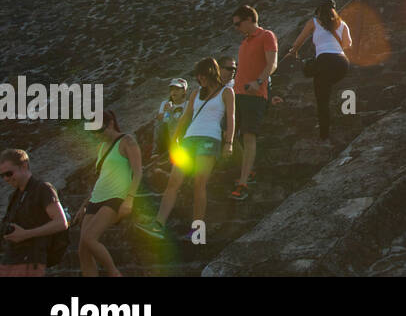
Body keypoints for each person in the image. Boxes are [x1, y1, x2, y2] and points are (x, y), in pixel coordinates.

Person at [137, 59, 234, 238]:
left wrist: (229, 143)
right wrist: (174, 142)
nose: (200, 79)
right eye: (198, 76)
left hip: (210, 139)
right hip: (189, 139)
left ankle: (198, 230)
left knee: (199, 183)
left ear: (211, 72)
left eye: (202, 75)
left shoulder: (226, 92)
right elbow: (185, 118)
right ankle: (158, 224)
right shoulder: (196, 93)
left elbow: (231, 118)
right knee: (173, 182)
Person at [72, 110, 141, 277]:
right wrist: (84, 205)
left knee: (90, 238)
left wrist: (129, 200)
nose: (97, 135)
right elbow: (101, 178)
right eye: (93, 132)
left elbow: (138, 172)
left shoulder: (127, 141)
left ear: (110, 123)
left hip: (115, 198)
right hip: (96, 198)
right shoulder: (102, 147)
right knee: (82, 249)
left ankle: (114, 273)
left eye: (99, 131)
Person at [286, 0, 352, 140]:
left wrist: (293, 52)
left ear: (318, 12)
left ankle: (324, 135)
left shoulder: (314, 22)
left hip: (324, 61)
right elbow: (347, 44)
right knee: (330, 85)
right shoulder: (343, 24)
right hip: (342, 62)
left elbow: (299, 41)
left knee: (322, 100)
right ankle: (346, 112)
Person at [229, 5, 276, 201]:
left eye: (238, 24)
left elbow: (272, 63)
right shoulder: (244, 43)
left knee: (248, 136)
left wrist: (258, 82)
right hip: (238, 95)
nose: (237, 28)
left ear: (250, 19)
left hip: (254, 95)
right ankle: (248, 172)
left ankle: (243, 183)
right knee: (230, 134)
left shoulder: (266, 36)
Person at [0, 148, 68, 277]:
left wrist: (26, 234)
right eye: (1, 175)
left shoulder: (42, 189)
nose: (6, 179)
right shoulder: (14, 196)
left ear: (24, 166)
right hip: (11, 259)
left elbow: (61, 222)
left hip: (31, 260)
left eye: (9, 173)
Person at [153, 78, 187, 163]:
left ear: (184, 91)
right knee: (161, 122)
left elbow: (186, 120)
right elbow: (163, 121)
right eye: (172, 89)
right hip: (168, 131)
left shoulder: (188, 103)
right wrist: (167, 111)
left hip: (182, 130)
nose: (173, 92)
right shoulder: (165, 103)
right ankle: (159, 151)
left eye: (177, 89)